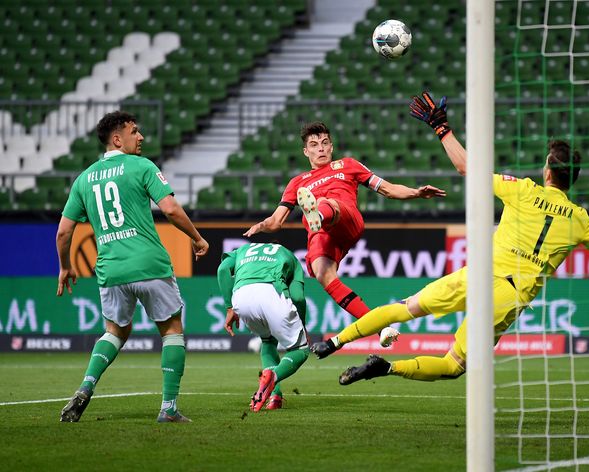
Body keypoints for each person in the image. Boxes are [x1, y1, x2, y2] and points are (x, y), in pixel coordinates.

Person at [311, 92, 589, 385]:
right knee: (453, 365)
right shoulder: (581, 220)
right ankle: (388, 368)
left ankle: (336, 341)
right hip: (508, 294)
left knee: (405, 308)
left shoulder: (522, 190)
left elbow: (467, 168)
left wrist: (442, 129)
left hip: (478, 274)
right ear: (571, 179)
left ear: (547, 171)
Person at [56, 111, 209, 422]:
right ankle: (168, 409)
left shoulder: (83, 179)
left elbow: (63, 232)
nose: (141, 137)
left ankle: (86, 386)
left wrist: (65, 266)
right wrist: (196, 237)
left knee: (115, 331)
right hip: (149, 264)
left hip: (110, 270)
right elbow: (171, 209)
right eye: (134, 132)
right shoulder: (141, 166)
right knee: (171, 330)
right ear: (117, 139)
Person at [243, 121, 446, 347]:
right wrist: (263, 225)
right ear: (306, 151)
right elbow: (276, 221)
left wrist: (416, 193)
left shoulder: (348, 165)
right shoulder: (296, 183)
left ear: (331, 147)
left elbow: (387, 189)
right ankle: (381, 329)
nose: (320, 148)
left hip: (345, 217)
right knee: (322, 274)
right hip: (321, 233)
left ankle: (318, 214)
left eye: (325, 143)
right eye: (314, 144)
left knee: (324, 203)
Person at [217, 242, 309, 411]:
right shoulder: (289, 255)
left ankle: (275, 397)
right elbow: (298, 297)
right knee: (300, 350)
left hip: (241, 297)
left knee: (268, 342)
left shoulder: (243, 250)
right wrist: (302, 324)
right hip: (272, 292)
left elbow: (223, 270)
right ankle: (272, 378)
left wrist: (229, 307)